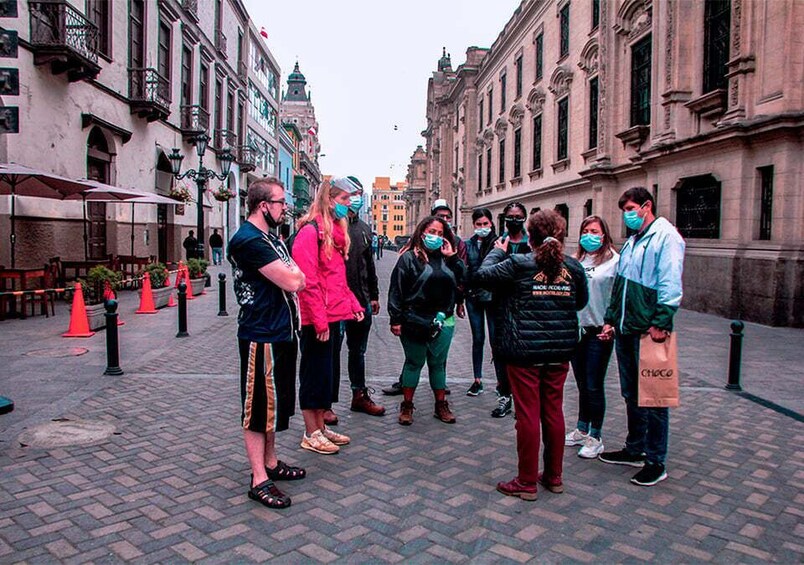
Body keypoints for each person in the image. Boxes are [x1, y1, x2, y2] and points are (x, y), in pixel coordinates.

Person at [475, 210, 588, 501]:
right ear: (561, 234)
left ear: (531, 236)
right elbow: (581, 301)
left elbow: (482, 276)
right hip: (560, 350)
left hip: (524, 350)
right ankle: (554, 476)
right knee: (553, 412)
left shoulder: (518, 263)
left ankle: (526, 481)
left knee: (527, 414)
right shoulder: (573, 268)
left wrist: (496, 252)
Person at [227, 177, 307, 510]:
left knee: (274, 406)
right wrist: (294, 276)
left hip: (282, 333)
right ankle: (259, 478)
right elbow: (293, 279)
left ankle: (271, 461)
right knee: (258, 407)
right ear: (264, 206)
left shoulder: (270, 239)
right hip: (262, 335)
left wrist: (294, 276)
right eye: (280, 203)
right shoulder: (248, 241)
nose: (285, 208)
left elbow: (297, 278)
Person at [598, 187, 685, 487]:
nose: (627, 215)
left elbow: (670, 284)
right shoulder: (634, 241)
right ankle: (635, 448)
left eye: (631, 208)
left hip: (650, 331)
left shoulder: (666, 237)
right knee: (632, 394)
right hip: (625, 328)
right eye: (624, 210)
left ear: (647, 206)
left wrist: (661, 322)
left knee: (655, 398)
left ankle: (656, 461)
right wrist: (610, 320)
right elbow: (620, 286)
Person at [292, 177, 365, 455]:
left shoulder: (334, 232)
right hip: (317, 319)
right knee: (314, 374)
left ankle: (320, 427)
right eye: (345, 199)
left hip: (332, 316)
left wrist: (353, 304)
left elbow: (337, 279)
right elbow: (308, 281)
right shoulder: (311, 233)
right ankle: (310, 432)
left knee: (326, 375)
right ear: (330, 199)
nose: (349, 204)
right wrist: (319, 320)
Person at [388, 216, 465, 425]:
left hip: (444, 321)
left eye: (440, 234)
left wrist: (454, 258)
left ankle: (441, 405)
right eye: (432, 232)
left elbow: (464, 281)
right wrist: (396, 319)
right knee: (414, 363)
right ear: (422, 232)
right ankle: (407, 405)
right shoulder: (409, 258)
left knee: (438, 364)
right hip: (414, 320)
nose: (436, 237)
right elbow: (396, 290)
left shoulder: (447, 259)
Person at [564, 216, 619, 459]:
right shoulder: (576, 261)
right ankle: (582, 428)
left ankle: (596, 436)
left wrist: (612, 323)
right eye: (585, 230)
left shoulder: (614, 262)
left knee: (594, 384)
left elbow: (618, 296)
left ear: (604, 234)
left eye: (594, 231)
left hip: (600, 331)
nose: (589, 235)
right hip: (578, 331)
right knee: (582, 383)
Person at [331, 175, 385, 417]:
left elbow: (369, 265)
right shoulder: (328, 226)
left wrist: (373, 295)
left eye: (358, 194)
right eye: (350, 194)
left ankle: (359, 395)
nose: (354, 199)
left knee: (358, 351)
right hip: (334, 302)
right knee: (331, 352)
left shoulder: (363, 229)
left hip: (360, 300)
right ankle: (326, 404)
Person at [483, 201, 530, 418]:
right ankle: (504, 395)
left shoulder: (531, 244)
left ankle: (521, 397)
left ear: (524, 218)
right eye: (510, 216)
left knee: (521, 352)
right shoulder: (497, 242)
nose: (514, 220)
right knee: (499, 349)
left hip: (525, 306)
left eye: (518, 216)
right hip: (498, 304)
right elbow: (487, 270)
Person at [463, 208, 505, 399]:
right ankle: (477, 380)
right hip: (473, 297)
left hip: (495, 297)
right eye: (478, 224)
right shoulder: (468, 244)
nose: (482, 228)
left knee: (496, 340)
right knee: (477, 338)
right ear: (474, 225)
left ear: (491, 223)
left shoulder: (499, 243)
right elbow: (465, 271)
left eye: (485, 224)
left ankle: (500, 382)